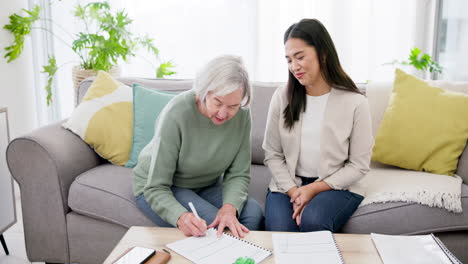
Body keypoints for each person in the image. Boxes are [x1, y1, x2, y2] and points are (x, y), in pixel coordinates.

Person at [133, 55, 263, 238]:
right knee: (217, 228)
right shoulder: (177, 113)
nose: (223, 113)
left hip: (206, 184)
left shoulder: (242, 114)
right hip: (162, 187)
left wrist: (229, 207)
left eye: (232, 106)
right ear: (204, 91)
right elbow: (156, 187)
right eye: (217, 102)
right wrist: (180, 217)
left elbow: (238, 174)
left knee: (253, 214)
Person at [263, 19, 373, 232]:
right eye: (289, 60)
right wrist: (295, 191)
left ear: (322, 53)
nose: (294, 66)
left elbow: (358, 165)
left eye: (300, 57)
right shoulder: (282, 97)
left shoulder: (355, 102)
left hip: (334, 186)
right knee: (280, 230)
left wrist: (313, 189)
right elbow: (272, 154)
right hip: (287, 185)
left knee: (313, 221)